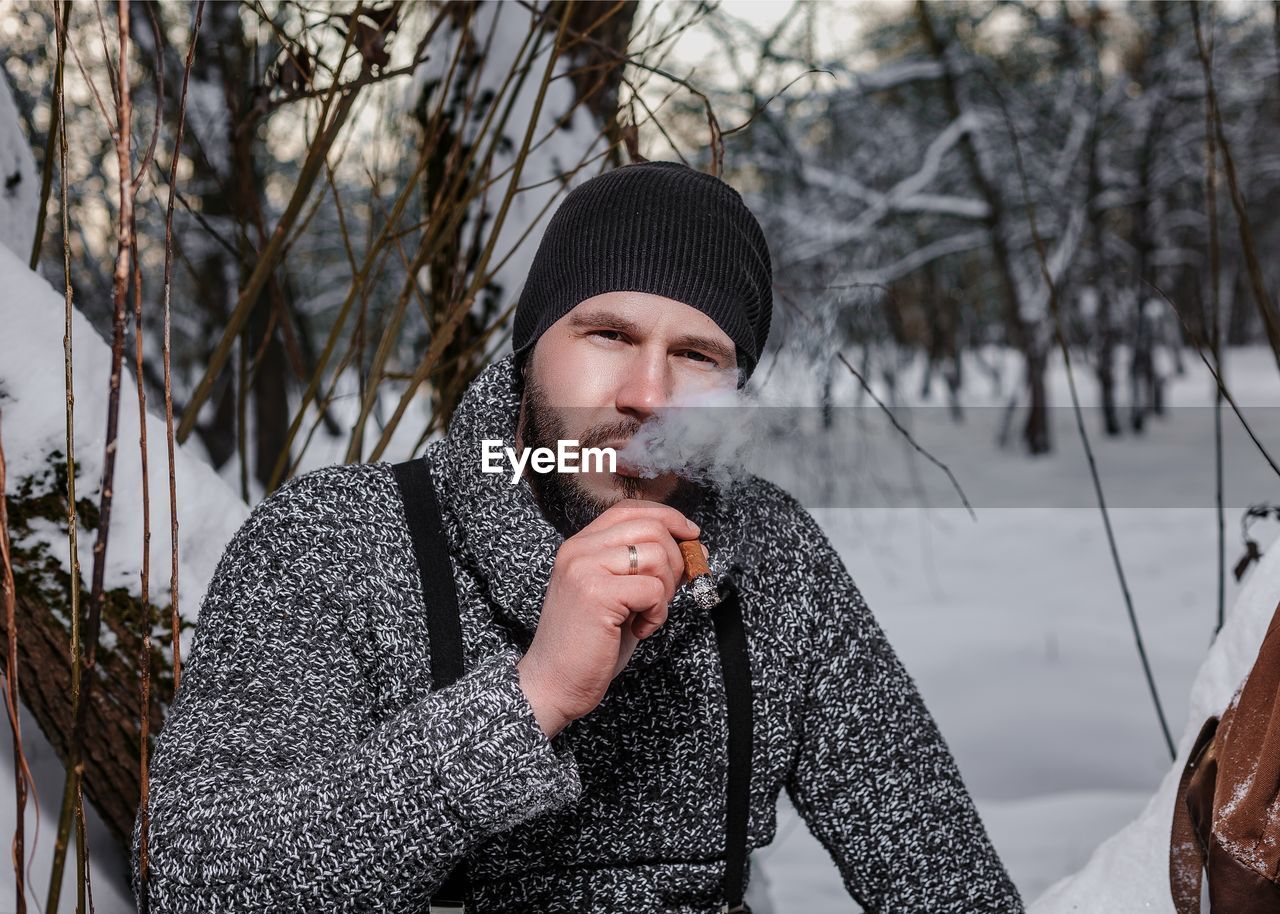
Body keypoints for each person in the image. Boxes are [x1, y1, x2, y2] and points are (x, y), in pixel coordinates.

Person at [133, 161, 1024, 913]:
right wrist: (532, 697)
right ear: (532, 347)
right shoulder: (338, 541)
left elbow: (944, 879)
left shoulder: (773, 556)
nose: (647, 393)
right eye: (607, 333)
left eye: (698, 355)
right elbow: (195, 883)